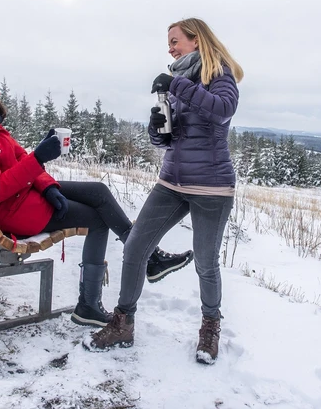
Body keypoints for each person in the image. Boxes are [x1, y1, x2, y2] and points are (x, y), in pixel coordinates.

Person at [0, 59, 193, 327]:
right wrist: (38, 158)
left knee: (98, 191)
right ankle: (91, 305)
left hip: (17, 198)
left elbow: (20, 159)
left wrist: (46, 185)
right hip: (11, 212)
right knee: (97, 219)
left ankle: (149, 257)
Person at [85, 18, 244, 364]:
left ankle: (210, 327)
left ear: (196, 40)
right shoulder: (177, 82)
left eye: (175, 41)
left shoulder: (219, 74)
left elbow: (223, 110)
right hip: (172, 181)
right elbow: (170, 137)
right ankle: (123, 323)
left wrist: (176, 85)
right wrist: (157, 130)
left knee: (205, 262)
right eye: (168, 43)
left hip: (212, 186)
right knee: (135, 246)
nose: (170, 48)